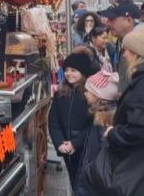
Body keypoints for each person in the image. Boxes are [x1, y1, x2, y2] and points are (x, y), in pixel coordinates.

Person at [87, 30, 144, 195]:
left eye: (127, 50)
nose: (124, 55)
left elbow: (138, 130)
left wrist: (113, 133)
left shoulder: (141, 86)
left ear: (137, 53)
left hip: (133, 165)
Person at [48, 52, 96, 188]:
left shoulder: (90, 95)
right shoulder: (60, 94)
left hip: (84, 148)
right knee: (74, 181)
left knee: (84, 184)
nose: (69, 74)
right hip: (66, 150)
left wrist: (75, 143)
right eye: (67, 70)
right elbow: (54, 121)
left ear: (83, 72)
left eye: (73, 70)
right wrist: (59, 143)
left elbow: (93, 124)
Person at [74, 70, 119, 196]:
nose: (85, 93)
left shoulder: (103, 122)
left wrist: (87, 175)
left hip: (92, 185)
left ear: (99, 96)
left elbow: (98, 157)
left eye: (89, 91)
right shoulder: (101, 117)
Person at [99, 0, 142, 93]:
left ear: (129, 20)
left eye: (112, 19)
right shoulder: (120, 41)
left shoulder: (139, 47)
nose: (107, 23)